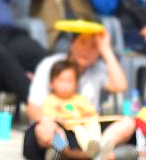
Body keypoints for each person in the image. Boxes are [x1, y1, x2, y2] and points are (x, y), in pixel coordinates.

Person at [23, 27, 135, 160]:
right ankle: (74, 154)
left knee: (128, 122)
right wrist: (48, 121)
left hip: (90, 130)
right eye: (83, 43)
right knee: (44, 131)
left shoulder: (97, 69)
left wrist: (105, 49)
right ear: (72, 44)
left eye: (93, 46)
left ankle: (100, 149)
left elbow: (120, 86)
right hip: (59, 127)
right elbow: (33, 107)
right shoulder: (51, 65)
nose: (87, 50)